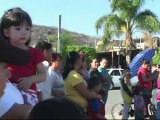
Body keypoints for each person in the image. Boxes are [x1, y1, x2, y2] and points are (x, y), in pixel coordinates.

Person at [0, 7, 46, 105]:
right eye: (18, 28)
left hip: (28, 93)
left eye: (27, 29)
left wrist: (31, 79)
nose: (24, 32)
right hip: (6, 92)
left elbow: (43, 75)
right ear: (6, 32)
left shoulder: (35, 53)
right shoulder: (3, 52)